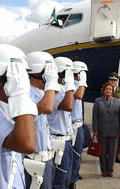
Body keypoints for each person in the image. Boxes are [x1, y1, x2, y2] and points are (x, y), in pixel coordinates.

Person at [0, 44, 37, 188]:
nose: (22, 81)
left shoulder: (6, 106)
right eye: (14, 76)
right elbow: (26, 144)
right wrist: (20, 94)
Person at [24, 51, 61, 189]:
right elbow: (46, 108)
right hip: (34, 160)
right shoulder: (26, 92)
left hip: (46, 158)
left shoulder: (40, 92)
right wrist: (51, 82)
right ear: (39, 73)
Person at [47, 57, 75, 189]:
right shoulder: (55, 90)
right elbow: (69, 105)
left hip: (67, 140)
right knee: (59, 181)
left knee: (66, 179)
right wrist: (69, 85)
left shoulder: (63, 89)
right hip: (57, 141)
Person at [93, 82, 120, 177]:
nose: (108, 91)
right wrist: (95, 129)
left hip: (114, 131)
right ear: (103, 90)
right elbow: (95, 117)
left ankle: (110, 171)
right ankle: (104, 171)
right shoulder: (98, 101)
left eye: (110, 89)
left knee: (112, 153)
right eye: (106, 89)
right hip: (102, 131)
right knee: (102, 153)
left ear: (112, 91)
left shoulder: (117, 101)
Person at [69, 61, 88, 189]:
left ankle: (73, 179)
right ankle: (70, 180)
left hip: (78, 125)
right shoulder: (72, 86)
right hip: (71, 126)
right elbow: (79, 96)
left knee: (77, 155)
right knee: (71, 156)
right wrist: (82, 81)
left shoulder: (77, 85)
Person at [107, 72, 120, 163]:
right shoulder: (105, 90)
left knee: (118, 139)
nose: (113, 82)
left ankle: (117, 156)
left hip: (117, 119)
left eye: (115, 80)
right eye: (111, 80)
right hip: (106, 119)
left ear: (117, 81)